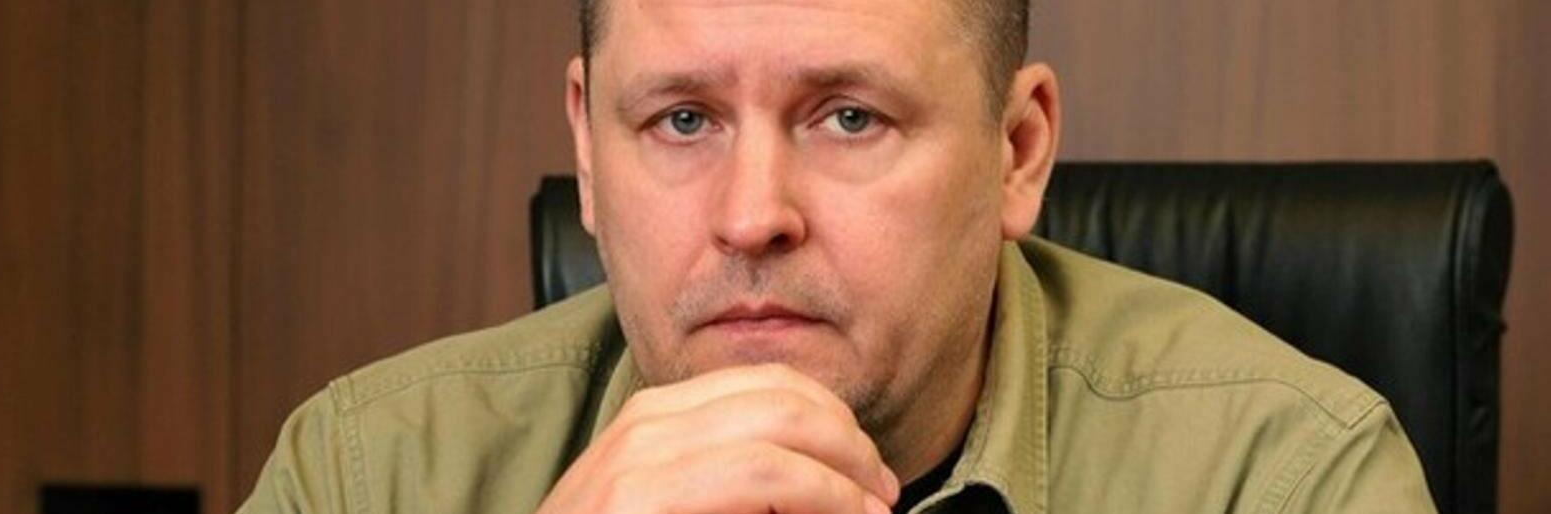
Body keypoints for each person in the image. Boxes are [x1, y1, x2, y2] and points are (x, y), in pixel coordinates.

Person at [237, 0, 1438, 512]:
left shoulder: (1280, 479)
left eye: (847, 117)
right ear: (588, 152)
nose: (751, 213)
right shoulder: (366, 474)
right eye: (682, 120)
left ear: (1016, 150)